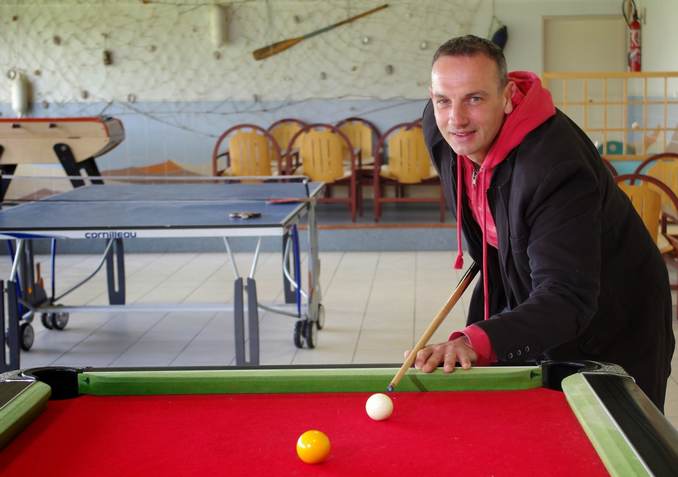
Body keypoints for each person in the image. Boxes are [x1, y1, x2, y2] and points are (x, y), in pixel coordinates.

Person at [415, 34, 675, 411]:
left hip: (614, 314)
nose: (456, 119)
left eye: (475, 98)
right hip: (529, 288)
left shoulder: (556, 168)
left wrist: (476, 341)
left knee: (607, 435)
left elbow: (567, 296)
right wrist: (484, 335)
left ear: (507, 96)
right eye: (443, 100)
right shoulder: (440, 128)